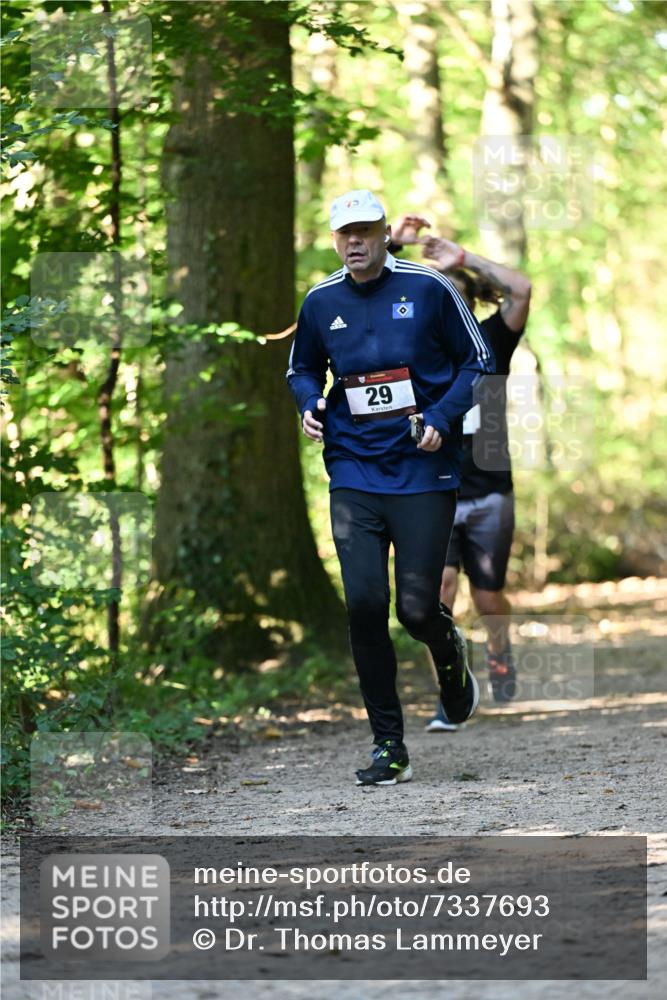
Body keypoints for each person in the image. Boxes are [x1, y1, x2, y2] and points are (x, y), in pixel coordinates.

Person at [286, 190, 495, 786]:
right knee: (365, 607)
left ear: (383, 233)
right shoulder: (322, 300)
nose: (354, 242)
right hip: (353, 467)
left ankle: (447, 646)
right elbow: (302, 367)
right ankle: (389, 747)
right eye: (343, 234)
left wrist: (440, 417)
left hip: (424, 469)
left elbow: (476, 359)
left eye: (364, 231)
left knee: (414, 610)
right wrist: (309, 404)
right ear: (335, 240)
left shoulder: (429, 290)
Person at [390, 226, 531, 727]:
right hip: (436, 486)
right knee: (439, 593)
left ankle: (499, 650)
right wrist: (390, 245)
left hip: (491, 487)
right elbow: (365, 295)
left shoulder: (494, 339)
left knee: (488, 596)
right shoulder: (416, 349)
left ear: (470, 297)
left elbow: (521, 288)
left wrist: (463, 255)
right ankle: (450, 689)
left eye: (455, 289)